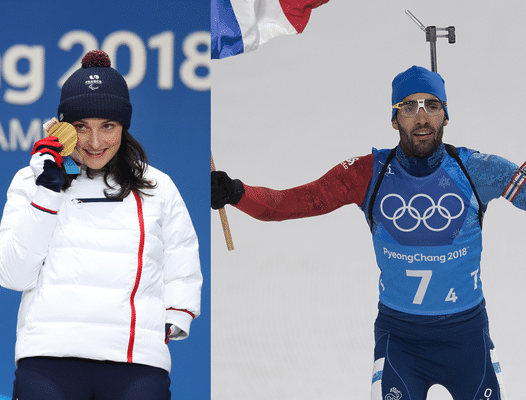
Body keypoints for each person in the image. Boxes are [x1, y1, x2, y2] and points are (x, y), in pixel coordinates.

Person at [211, 65, 522, 400]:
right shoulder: (367, 173)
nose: (421, 118)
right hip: (402, 341)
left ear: (445, 117)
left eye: (432, 106)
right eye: (408, 107)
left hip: (466, 339)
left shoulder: (475, 169)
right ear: (393, 119)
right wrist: (238, 192)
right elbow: (292, 203)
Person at [0, 50, 202, 400]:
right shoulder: (30, 182)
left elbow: (181, 258)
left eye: (108, 126)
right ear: (62, 128)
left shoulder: (158, 186)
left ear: (124, 126)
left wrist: (176, 316)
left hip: (135, 360)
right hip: (48, 356)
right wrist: (47, 192)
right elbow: (13, 276)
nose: (94, 142)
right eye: (81, 127)